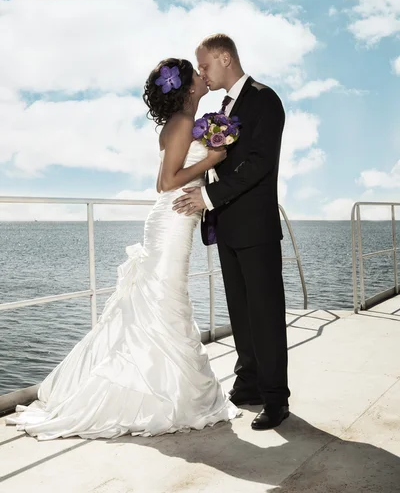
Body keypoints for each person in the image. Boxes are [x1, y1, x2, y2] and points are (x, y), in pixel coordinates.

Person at [6, 58, 240, 440]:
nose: (202, 75)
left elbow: (166, 178)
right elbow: (165, 183)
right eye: (196, 73)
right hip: (172, 219)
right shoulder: (181, 124)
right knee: (164, 300)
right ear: (187, 88)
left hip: (174, 218)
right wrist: (214, 157)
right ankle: (154, 395)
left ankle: (159, 384)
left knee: (164, 301)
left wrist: (208, 162)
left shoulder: (180, 124)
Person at [172, 35, 290, 430]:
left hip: (255, 225)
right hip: (227, 224)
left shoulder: (265, 99)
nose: (201, 72)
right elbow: (219, 161)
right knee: (241, 311)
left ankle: (276, 399)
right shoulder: (224, 107)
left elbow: (258, 164)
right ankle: (250, 382)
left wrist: (207, 195)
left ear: (225, 57)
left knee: (266, 314)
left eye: (204, 65)